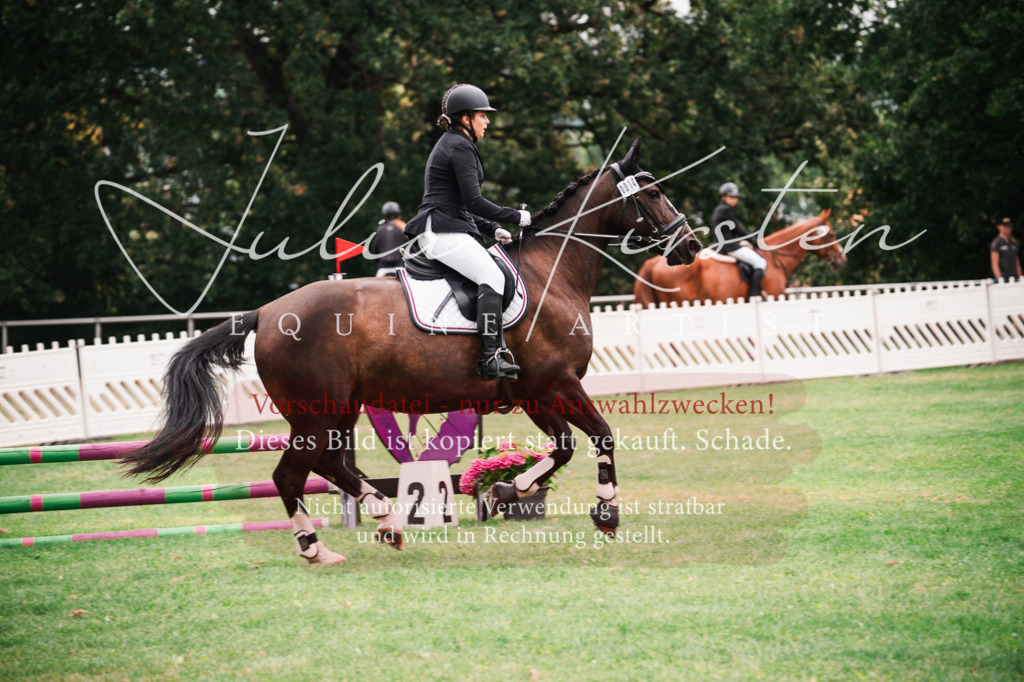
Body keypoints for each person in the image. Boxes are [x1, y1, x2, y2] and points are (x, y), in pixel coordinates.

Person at [404, 84, 531, 381]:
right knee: (493, 276)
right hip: (442, 231)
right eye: (482, 115)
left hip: (444, 225)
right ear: (465, 119)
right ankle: (491, 358)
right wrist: (515, 216)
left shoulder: (454, 143)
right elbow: (474, 201)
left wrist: (492, 227)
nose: (487, 121)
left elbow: (460, 204)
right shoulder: (459, 146)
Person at [710, 182, 767, 299]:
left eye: (736, 197)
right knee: (761, 262)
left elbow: (730, 231)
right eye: (731, 197)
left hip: (721, 243)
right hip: (728, 246)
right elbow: (737, 229)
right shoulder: (726, 209)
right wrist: (754, 241)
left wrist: (742, 241)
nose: (734, 200)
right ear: (723, 197)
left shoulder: (720, 209)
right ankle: (753, 295)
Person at [369, 202, 407, 277]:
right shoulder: (404, 229)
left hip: (383, 268)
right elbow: (412, 250)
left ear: (385, 217)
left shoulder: (380, 229)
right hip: (400, 267)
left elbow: (375, 252)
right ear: (399, 216)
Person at [990, 217, 1022, 282]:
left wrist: (1020, 277)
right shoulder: (997, 243)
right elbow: (994, 264)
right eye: (1005, 226)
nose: (1008, 228)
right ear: (999, 227)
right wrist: (1000, 280)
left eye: (1010, 226)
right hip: (1003, 278)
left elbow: (1016, 261)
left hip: (1014, 278)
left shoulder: (1013, 242)